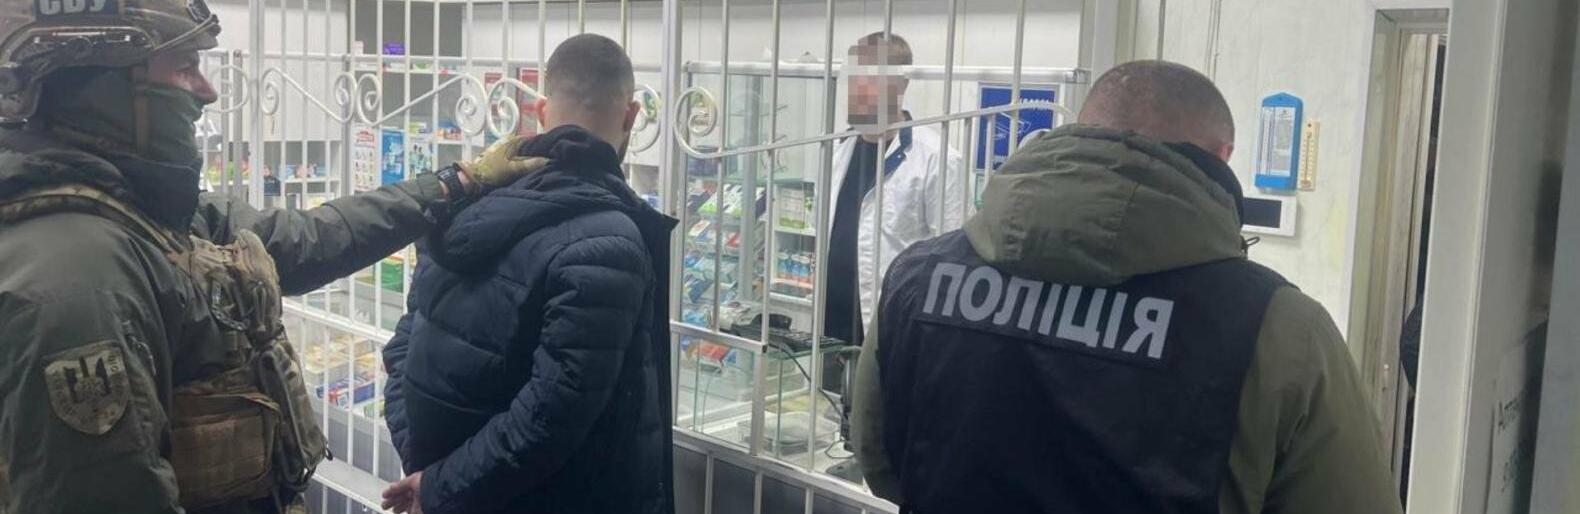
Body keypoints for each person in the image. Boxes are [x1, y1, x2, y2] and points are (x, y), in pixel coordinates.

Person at [0, 2, 543, 513]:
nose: (208, 91)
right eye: (184, 67)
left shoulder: (143, 210)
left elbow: (303, 240)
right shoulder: (75, 278)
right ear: (103, 91)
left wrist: (455, 182)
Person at [850, 60, 1403, 514]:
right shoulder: (1278, 329)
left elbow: (880, 459)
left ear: (1079, 130)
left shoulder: (919, 277)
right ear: (1222, 159)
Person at [379, 34, 677, 514]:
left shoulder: (462, 208)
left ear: (540, 111)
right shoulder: (612, 239)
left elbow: (403, 351)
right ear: (631, 116)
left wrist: (429, 471)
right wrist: (437, 484)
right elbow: (555, 414)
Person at [824, 31, 965, 347]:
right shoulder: (836, 149)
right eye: (854, 78)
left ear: (901, 86)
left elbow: (953, 259)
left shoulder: (936, 158)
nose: (858, 89)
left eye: (871, 79)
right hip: (829, 323)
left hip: (893, 328)